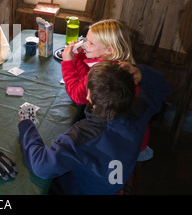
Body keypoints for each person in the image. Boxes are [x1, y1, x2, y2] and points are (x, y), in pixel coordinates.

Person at [18, 61, 170, 195]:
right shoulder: (139, 110)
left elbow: (41, 166)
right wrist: (140, 71)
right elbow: (161, 87)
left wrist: (26, 124)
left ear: (89, 95)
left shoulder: (83, 135)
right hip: (110, 185)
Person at [61, 19, 152, 161]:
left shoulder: (107, 75)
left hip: (124, 144)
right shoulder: (114, 62)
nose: (85, 45)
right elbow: (87, 77)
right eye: (86, 40)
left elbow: (77, 96)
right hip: (133, 132)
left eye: (91, 43)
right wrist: (78, 57)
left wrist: (68, 63)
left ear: (110, 50)